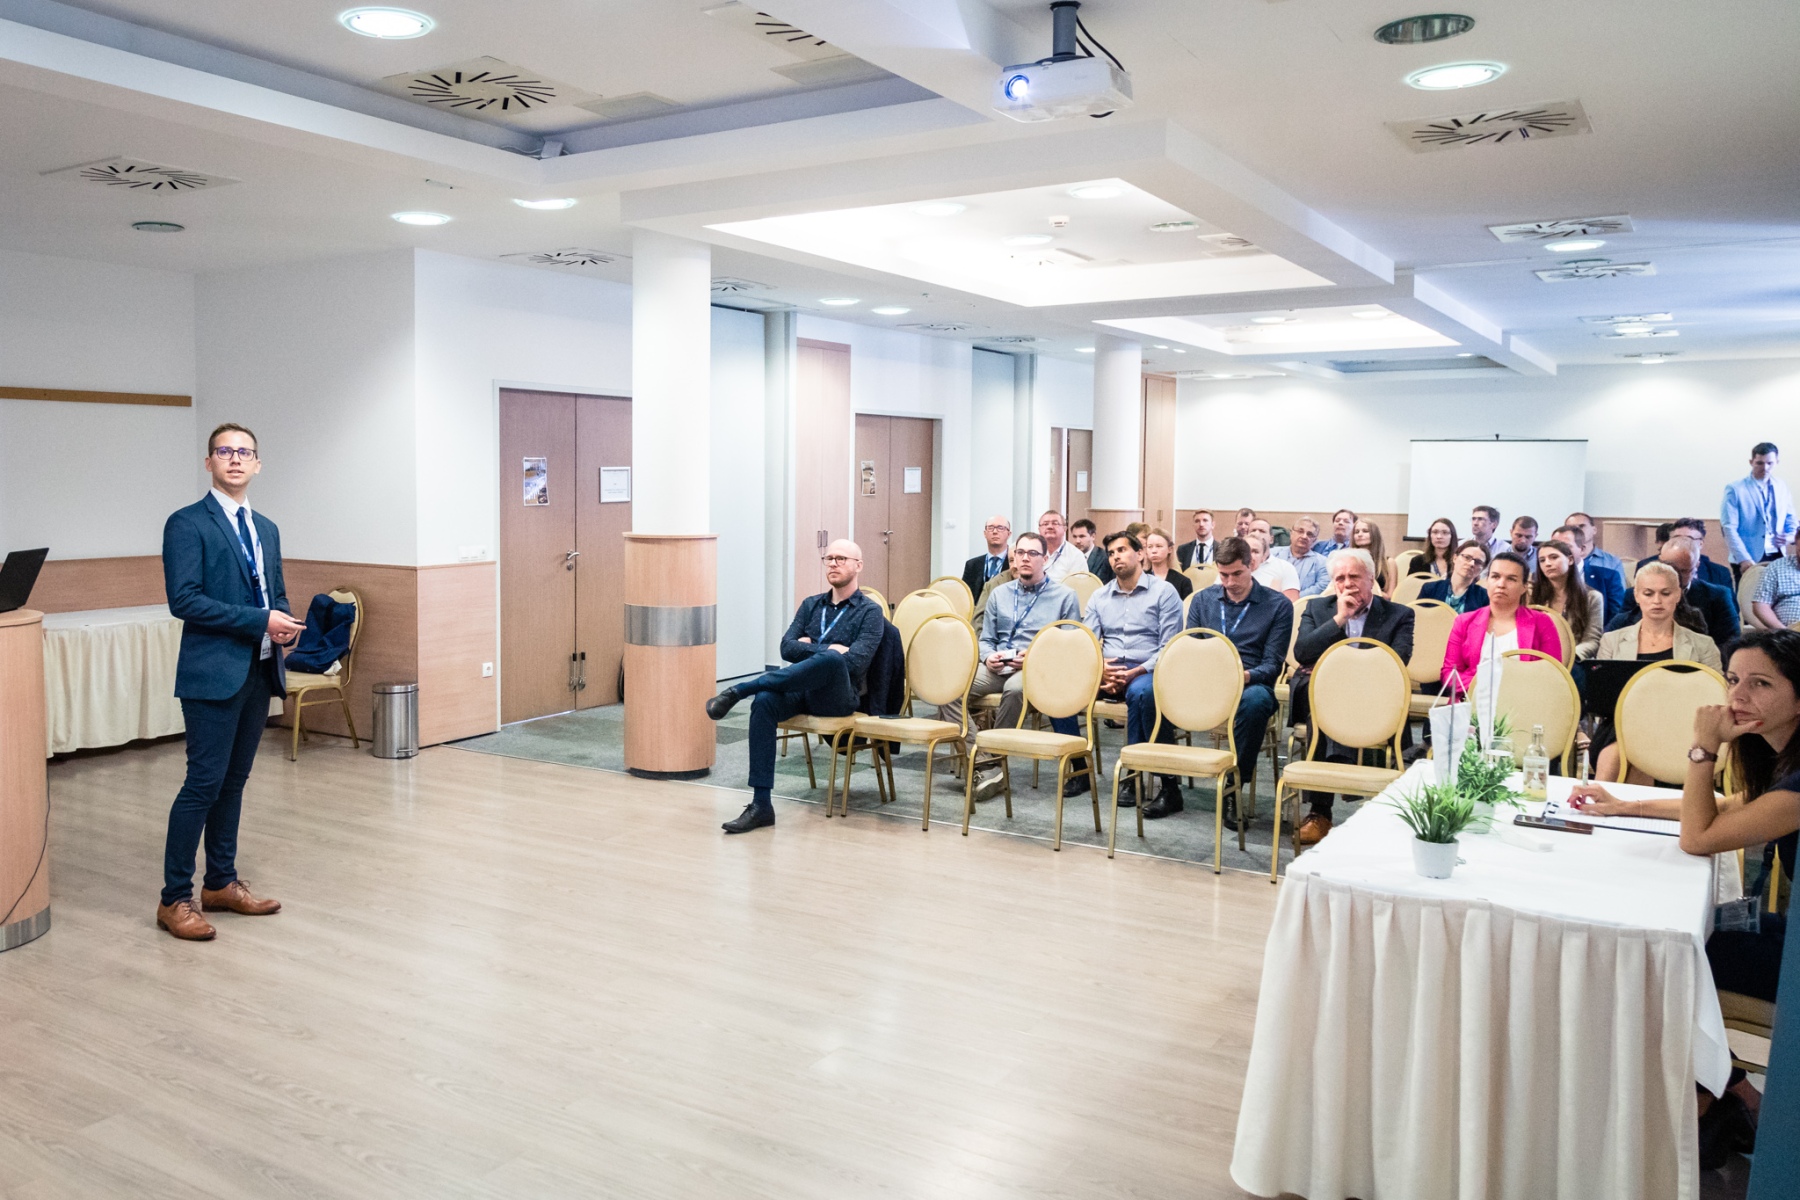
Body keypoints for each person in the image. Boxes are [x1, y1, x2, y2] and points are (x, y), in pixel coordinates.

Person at [1571, 629, 1800, 1161]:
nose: (1738, 696)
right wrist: (1625, 805)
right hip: (1785, 929)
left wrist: (1704, 748)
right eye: (1734, 680)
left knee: (1666, 959)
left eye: (1761, 684)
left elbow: (1699, 838)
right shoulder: (1783, 763)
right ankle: (1730, 1091)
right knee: (1696, 931)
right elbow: (1726, 807)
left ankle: (1714, 1098)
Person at [156, 423, 306, 941]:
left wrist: (281, 623)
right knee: (203, 784)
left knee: (234, 782)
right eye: (225, 451)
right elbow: (185, 600)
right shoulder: (186, 523)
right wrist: (260, 620)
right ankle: (174, 899)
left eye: (245, 452)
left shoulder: (266, 527)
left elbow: (275, 592)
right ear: (209, 463)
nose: (235, 459)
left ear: (258, 464)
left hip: (260, 669)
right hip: (212, 674)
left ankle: (220, 883)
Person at [705, 539, 885, 833]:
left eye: (841, 558)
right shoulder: (811, 604)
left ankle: (740, 689)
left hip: (838, 697)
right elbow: (786, 647)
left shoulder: (869, 612)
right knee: (765, 701)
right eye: (829, 558)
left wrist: (814, 648)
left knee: (834, 662)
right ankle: (761, 805)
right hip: (801, 691)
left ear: (858, 565)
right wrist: (829, 648)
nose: (833, 563)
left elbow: (855, 662)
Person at [1289, 548, 1416, 848]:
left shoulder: (1399, 614)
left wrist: (1345, 670)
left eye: (1355, 577)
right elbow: (1303, 653)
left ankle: (1322, 810)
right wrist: (1340, 618)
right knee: (1324, 704)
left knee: (1328, 709)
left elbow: (1396, 661)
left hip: (1374, 695)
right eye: (1340, 578)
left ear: (1371, 579)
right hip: (1321, 694)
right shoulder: (1318, 608)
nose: (1347, 584)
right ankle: (1323, 811)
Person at [942, 532, 1081, 803]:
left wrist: (1033, 657)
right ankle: (985, 761)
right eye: (1020, 553)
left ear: (1045, 559)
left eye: (1032, 553)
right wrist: (987, 657)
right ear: (1013, 558)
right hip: (998, 664)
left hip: (1036, 668)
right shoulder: (999, 594)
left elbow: (1068, 646)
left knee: (1015, 690)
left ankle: (993, 760)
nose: (1025, 558)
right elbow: (985, 638)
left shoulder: (1064, 596)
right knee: (949, 690)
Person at [1187, 536, 1295, 827]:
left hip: (1250, 683)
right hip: (1207, 682)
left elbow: (1272, 665)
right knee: (1148, 692)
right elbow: (1190, 648)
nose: (1230, 582)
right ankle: (1167, 785)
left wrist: (1242, 676)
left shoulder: (1277, 605)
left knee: (1256, 702)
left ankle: (1234, 785)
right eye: (1223, 575)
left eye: (1237, 574)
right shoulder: (1203, 600)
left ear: (1252, 565)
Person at [1586, 561, 1723, 784]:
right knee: (1627, 743)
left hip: (1681, 724)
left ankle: (1604, 798)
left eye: (1665, 593)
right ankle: (1605, 798)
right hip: (1622, 723)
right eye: (1648, 593)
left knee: (1638, 745)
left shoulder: (1702, 644)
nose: (1657, 601)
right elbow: (1604, 697)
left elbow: (1717, 697)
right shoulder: (1612, 640)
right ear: (1637, 596)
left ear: (1678, 595)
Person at [1084, 532, 1185, 811]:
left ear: (1140, 554)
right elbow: (1087, 642)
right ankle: (1078, 769)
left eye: (1122, 550)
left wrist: (1137, 671)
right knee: (1064, 686)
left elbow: (1169, 647)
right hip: (1110, 670)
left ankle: (1145, 777)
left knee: (1142, 694)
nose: (1116, 556)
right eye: (1111, 553)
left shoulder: (1164, 592)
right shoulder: (1099, 596)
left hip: (1150, 669)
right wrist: (1101, 669)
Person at [1439, 552, 1564, 706]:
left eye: (1511, 579)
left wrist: (1507, 688)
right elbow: (1449, 675)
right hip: (1472, 703)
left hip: (1524, 705)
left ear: (1524, 587)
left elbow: (1552, 673)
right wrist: (1488, 684)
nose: (1501, 584)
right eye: (1495, 576)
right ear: (1487, 581)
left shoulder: (1542, 623)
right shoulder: (1464, 622)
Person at [1608, 540, 1740, 653]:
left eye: (1683, 571)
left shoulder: (1717, 596)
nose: (1674, 575)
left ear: (1696, 566)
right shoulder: (1636, 594)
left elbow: (1730, 642)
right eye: (1668, 567)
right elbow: (1619, 634)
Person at [1722, 442, 1795, 577]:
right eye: (1760, 463)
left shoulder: (1781, 486)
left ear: (1777, 462)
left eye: (1770, 463)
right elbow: (1729, 527)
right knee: (1748, 591)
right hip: (1749, 557)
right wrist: (1743, 558)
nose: (1765, 468)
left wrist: (1790, 537)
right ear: (1751, 462)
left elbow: (1790, 518)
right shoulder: (1735, 489)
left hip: (1778, 554)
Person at [1528, 538, 1603, 660]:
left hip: (1574, 659)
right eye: (1542, 560)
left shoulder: (1592, 597)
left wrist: (1567, 657)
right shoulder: (1531, 594)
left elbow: (1592, 640)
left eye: (1554, 557)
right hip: (1537, 659)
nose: (1547, 563)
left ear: (1570, 560)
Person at [1553, 521, 1627, 624]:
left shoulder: (1607, 576)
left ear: (1582, 549)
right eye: (1554, 547)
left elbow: (1616, 617)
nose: (1558, 552)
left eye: (1566, 546)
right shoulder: (1540, 578)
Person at [1641, 517, 1735, 593]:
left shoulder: (1719, 573)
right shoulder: (1646, 566)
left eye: (1688, 539)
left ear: (1700, 544)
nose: (1682, 543)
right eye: (1676, 538)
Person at [1420, 539, 1490, 613]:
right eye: (1467, 557)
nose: (1471, 564)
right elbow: (1417, 617)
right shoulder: (1430, 589)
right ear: (1455, 558)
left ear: (1483, 568)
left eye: (1478, 562)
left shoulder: (1484, 597)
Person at [1272, 516, 1331, 597]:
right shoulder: (1272, 554)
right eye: (1300, 531)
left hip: (1303, 603)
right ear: (1291, 533)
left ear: (1314, 540)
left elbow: (1322, 586)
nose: (1304, 536)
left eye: (1309, 534)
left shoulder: (1323, 562)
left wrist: (1294, 598)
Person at [1753, 538, 1800, 630]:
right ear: (1796, 544)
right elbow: (1761, 605)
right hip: (1787, 632)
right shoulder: (1777, 567)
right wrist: (1784, 632)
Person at [962, 515, 1011, 601]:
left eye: (1000, 528)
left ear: (1009, 534)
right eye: (991, 528)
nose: (995, 531)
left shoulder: (1014, 563)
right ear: (985, 533)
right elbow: (964, 595)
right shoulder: (972, 565)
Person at [1565, 512, 1625, 577]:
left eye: (1582, 526)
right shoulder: (1560, 559)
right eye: (1572, 528)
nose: (1577, 530)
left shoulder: (1612, 562)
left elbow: (1618, 583)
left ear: (1594, 530)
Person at [1247, 529, 1300, 600]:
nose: (1251, 556)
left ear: (1263, 554)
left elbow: (1292, 602)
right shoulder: (1233, 572)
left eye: (1255, 552)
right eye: (1247, 551)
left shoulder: (1284, 568)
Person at [1141, 527, 1192, 600]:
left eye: (1159, 546)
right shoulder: (1141, 578)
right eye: (1150, 547)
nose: (1154, 551)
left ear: (1170, 549)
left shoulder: (1183, 582)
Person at [1350, 517, 1396, 597]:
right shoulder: (1349, 561)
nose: (1359, 534)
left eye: (1365, 531)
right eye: (1356, 532)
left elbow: (1391, 595)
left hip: (1380, 602)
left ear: (1374, 534)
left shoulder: (1389, 562)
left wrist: (1371, 593)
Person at [1037, 510, 1087, 582]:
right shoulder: (1033, 551)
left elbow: (1080, 585)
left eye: (1055, 523)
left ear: (1064, 529)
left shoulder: (1076, 555)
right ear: (1039, 530)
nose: (1050, 527)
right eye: (1045, 524)